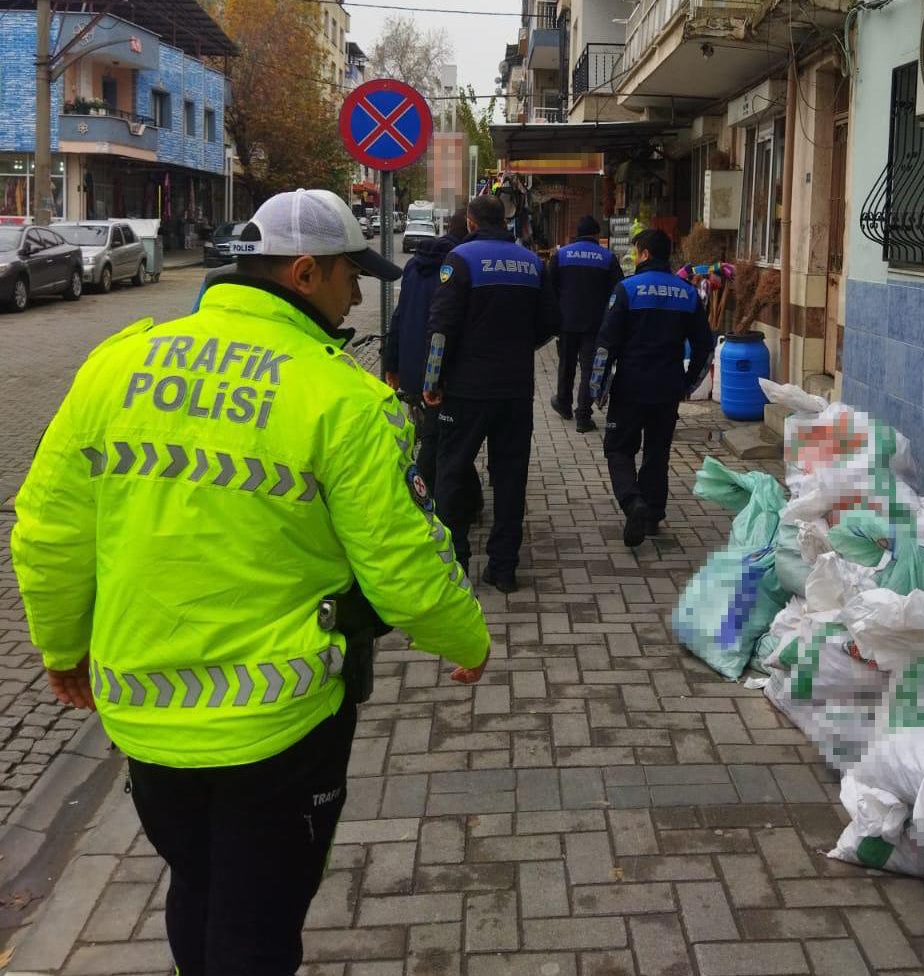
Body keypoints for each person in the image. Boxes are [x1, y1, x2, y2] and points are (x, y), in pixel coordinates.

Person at [10, 188, 491, 976]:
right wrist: (464, 637)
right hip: (279, 731)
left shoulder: (116, 366)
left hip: (148, 725)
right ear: (304, 272)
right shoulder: (342, 398)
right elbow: (403, 566)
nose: (361, 292)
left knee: (198, 886)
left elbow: (49, 533)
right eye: (350, 276)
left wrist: (62, 648)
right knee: (259, 928)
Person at [424, 194, 558, 594]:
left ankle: (457, 561)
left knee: (451, 473)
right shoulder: (533, 262)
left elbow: (441, 328)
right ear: (506, 219)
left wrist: (433, 382)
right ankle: (503, 567)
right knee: (511, 478)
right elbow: (550, 323)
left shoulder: (461, 259)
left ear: (470, 222)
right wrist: (516, 349)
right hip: (515, 390)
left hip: (465, 392)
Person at [592, 228, 714, 548]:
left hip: (630, 386)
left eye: (636, 251)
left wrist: (598, 388)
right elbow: (705, 345)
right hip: (668, 387)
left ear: (644, 253)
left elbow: (606, 344)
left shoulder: (627, 289)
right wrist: (689, 384)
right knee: (657, 452)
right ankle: (653, 516)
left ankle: (633, 503)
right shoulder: (687, 293)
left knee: (618, 448)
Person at [382, 207, 478, 505]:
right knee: (437, 439)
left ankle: (471, 499)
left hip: (412, 364)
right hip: (439, 370)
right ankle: (419, 501)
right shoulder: (461, 267)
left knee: (441, 432)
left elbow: (399, 317)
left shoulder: (414, 264)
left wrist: (392, 363)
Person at [546, 215, 623, 433]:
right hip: (595, 324)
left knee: (566, 365)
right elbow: (617, 292)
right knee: (590, 369)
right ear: (597, 235)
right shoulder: (607, 258)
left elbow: (550, 288)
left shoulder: (561, 255)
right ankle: (583, 416)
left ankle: (563, 403)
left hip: (566, 322)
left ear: (577, 234)